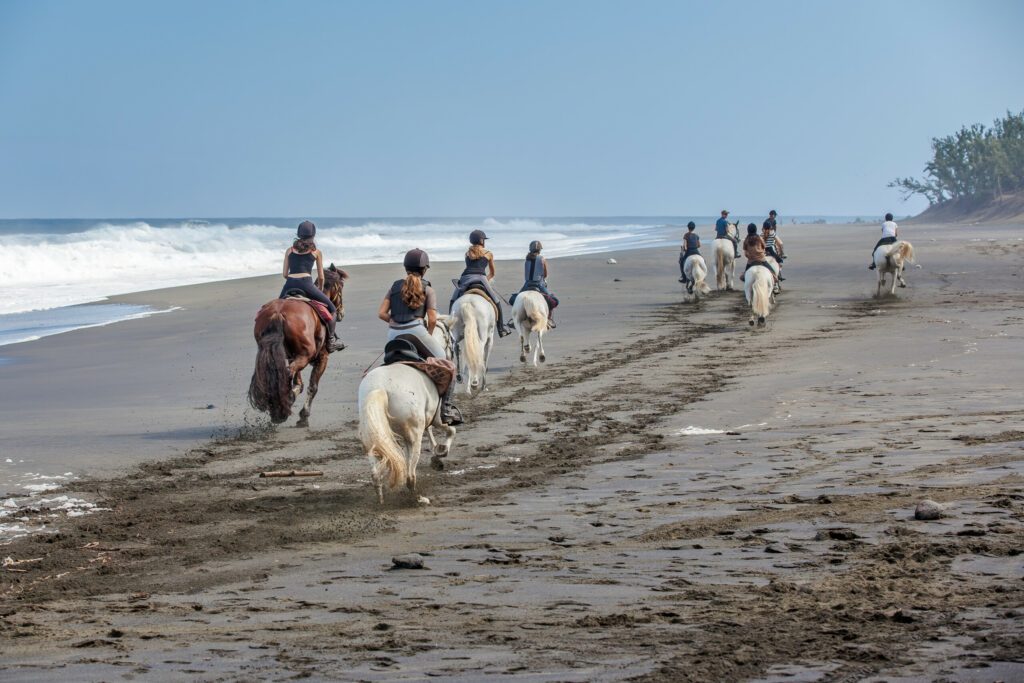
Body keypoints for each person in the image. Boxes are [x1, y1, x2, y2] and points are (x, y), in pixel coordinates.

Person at [378, 249, 462, 425]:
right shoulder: (428, 289)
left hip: (393, 333)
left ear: (405, 268)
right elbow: (432, 319)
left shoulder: (394, 286)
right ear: (425, 269)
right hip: (416, 332)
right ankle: (446, 410)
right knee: (449, 364)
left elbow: (382, 313)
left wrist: (395, 323)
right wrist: (428, 334)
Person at [279, 220, 344, 352]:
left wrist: (292, 279)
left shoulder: (289, 251)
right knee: (332, 310)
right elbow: (321, 277)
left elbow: (285, 274)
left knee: (277, 311)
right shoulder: (316, 252)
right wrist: (319, 289)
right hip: (307, 284)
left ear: (298, 234)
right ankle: (330, 342)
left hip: (289, 284)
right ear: (313, 236)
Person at [449, 229, 512, 337]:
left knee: (453, 300)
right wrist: (485, 280)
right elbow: (492, 273)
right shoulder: (488, 254)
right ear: (482, 240)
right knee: (496, 302)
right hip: (481, 278)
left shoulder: (467, 253)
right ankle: (501, 329)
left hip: (465, 278)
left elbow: (471, 267)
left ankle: (449, 328)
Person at [509, 240, 559, 328]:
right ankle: (548, 319)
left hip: (527, 284)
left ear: (530, 249)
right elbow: (545, 274)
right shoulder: (542, 259)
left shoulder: (527, 259)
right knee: (553, 301)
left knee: (513, 299)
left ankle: (515, 319)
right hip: (539, 284)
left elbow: (526, 274)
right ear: (540, 250)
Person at [678, 221, 702, 293]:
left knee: (682, 262)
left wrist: (684, 249)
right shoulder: (696, 235)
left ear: (688, 228)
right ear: (694, 228)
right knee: (703, 260)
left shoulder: (686, 235)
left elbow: (685, 246)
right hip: (696, 251)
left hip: (689, 252)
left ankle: (684, 277)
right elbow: (699, 245)